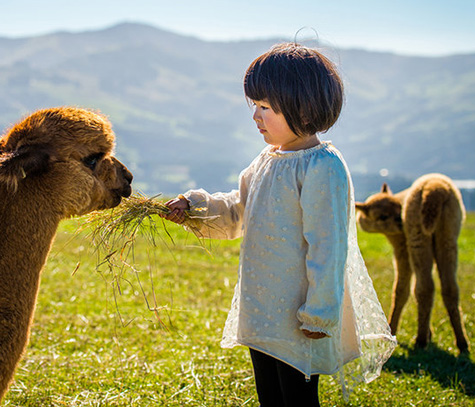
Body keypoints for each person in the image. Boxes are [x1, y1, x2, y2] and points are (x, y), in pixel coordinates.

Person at [163, 43, 396, 406]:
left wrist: (319, 314)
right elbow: (239, 210)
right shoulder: (265, 161)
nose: (255, 116)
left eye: (266, 107)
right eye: (254, 105)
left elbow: (328, 246)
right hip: (262, 309)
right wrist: (195, 207)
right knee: (269, 394)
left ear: (303, 109)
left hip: (299, 317)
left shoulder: (322, 167)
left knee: (297, 398)